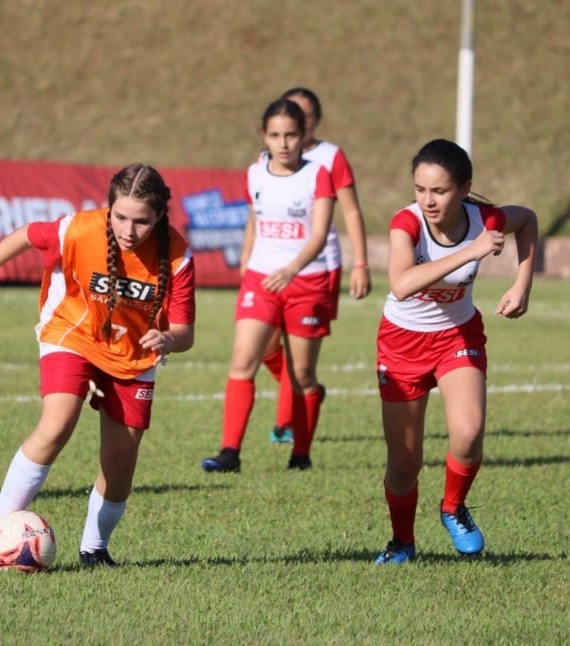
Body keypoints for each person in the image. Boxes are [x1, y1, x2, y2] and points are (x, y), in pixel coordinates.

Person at [0, 164, 195, 567]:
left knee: (121, 461)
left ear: (160, 216)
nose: (129, 230)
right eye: (120, 217)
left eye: (142, 221)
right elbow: (25, 235)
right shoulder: (78, 228)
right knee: (57, 423)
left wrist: (168, 339)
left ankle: (94, 549)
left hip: (132, 355)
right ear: (108, 208)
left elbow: (185, 332)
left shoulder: (177, 257)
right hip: (71, 333)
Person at [372, 139, 537, 565]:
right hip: (402, 342)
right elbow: (401, 284)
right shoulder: (405, 224)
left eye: (439, 191)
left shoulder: (487, 219)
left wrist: (522, 284)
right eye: (420, 189)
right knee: (405, 462)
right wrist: (472, 251)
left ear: (465, 188)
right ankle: (402, 543)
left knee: (468, 435)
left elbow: (528, 219)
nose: (427, 200)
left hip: (457, 338)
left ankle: (452, 507)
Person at [201, 98, 335, 473]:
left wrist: (292, 268)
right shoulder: (255, 173)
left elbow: (320, 233)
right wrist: (247, 260)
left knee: (302, 374)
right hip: (262, 279)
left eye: (291, 135)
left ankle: (301, 455)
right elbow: (253, 220)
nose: (284, 143)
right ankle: (229, 453)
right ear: (264, 136)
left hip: (306, 282)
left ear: (303, 135)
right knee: (244, 359)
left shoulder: (318, 175)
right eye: (275, 135)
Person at [258, 88, 371, 445]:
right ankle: (304, 394)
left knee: (298, 354)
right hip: (274, 267)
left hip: (318, 267)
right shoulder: (270, 158)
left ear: (314, 122)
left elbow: (350, 209)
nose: (296, 123)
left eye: (303, 117)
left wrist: (361, 263)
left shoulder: (329, 157)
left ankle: (287, 423)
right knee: (265, 347)